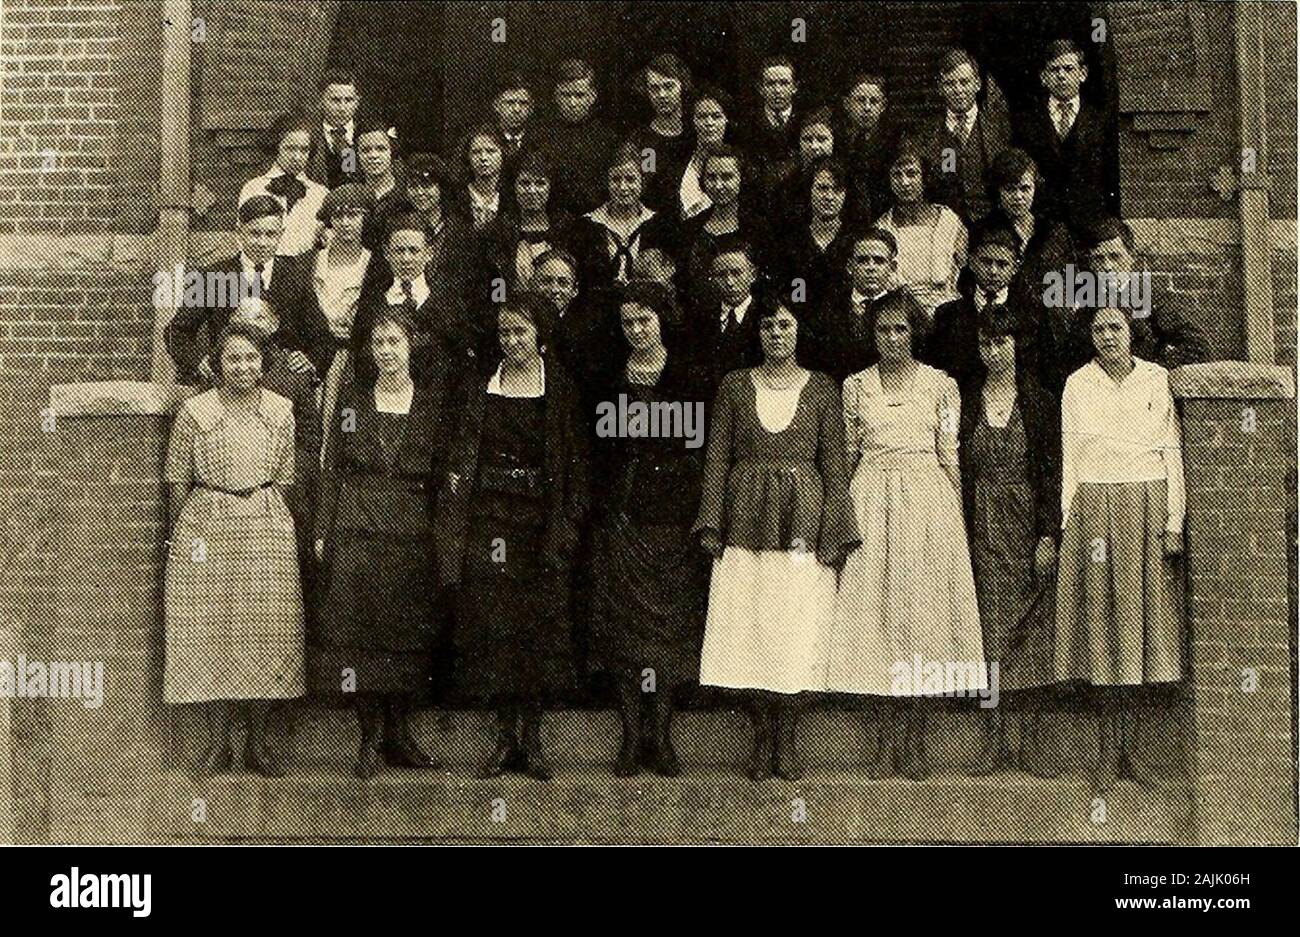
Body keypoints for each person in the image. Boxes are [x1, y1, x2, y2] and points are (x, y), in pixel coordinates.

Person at [693, 297, 859, 781]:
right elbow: (717, 457)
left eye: (784, 325)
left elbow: (833, 465)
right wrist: (710, 522)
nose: (776, 334)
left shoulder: (823, 389)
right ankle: (760, 732)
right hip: (745, 521)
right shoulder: (734, 387)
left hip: (801, 526)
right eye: (767, 326)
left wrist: (836, 529)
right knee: (749, 629)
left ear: (799, 330)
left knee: (796, 630)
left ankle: (787, 735)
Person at [827, 293, 983, 780]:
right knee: (876, 615)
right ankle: (883, 741)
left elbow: (949, 453)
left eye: (900, 330)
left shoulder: (940, 384)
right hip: (872, 497)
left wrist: (953, 516)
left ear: (914, 332)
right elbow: (848, 454)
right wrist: (842, 515)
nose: (891, 339)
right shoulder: (855, 386)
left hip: (926, 501)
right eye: (882, 331)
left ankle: (915, 739)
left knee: (919, 614)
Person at [435, 293, 589, 781]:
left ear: (540, 335)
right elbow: (459, 454)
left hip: (538, 528)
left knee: (535, 630)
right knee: (494, 628)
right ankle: (504, 738)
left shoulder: (561, 390)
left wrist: (565, 527)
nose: (512, 341)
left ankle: (534, 739)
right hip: (489, 525)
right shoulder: (482, 387)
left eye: (521, 331)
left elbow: (577, 469)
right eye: (505, 332)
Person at [314, 308, 452, 779]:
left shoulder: (433, 404)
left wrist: (443, 536)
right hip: (358, 529)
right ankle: (369, 735)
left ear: (411, 346)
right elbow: (333, 467)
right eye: (379, 344)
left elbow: (444, 478)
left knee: (404, 634)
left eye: (394, 342)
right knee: (360, 634)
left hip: (411, 533)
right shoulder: (353, 401)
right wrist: (322, 528)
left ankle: (399, 732)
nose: (387, 352)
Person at [163, 321, 305, 778]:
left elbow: (285, 475)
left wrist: (264, 512)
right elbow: (177, 480)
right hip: (208, 523)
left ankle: (258, 745)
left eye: (251, 358)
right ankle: (218, 744)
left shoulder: (280, 410)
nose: (243, 367)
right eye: (233, 359)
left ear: (263, 363)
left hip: (265, 522)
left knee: (266, 629)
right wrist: (187, 536)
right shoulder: (196, 411)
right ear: (218, 366)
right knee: (211, 632)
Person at [1055, 305, 1185, 793]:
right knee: (1104, 628)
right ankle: (1107, 752)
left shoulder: (1155, 380)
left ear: (1132, 333)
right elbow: (1071, 456)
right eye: (1098, 328)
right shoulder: (1077, 384)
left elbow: (1171, 449)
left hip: (1147, 504)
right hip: (1095, 507)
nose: (1107, 335)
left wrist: (1175, 520)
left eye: (1116, 327)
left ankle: (1134, 750)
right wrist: (1070, 520)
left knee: (1141, 631)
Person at [589, 281, 711, 777]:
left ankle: (660, 733)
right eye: (628, 323)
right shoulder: (607, 378)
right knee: (625, 631)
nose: (636, 331)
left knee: (668, 629)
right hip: (621, 516)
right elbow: (600, 451)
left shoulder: (688, 378)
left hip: (671, 518)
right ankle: (630, 733)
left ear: (662, 320)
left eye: (645, 321)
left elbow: (696, 448)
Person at [959, 304, 1062, 778]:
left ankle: (1032, 740)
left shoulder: (1039, 401)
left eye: (1002, 341)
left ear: (1018, 345)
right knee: (990, 629)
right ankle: (995, 737)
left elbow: (1050, 474)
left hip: (1026, 524)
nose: (993, 350)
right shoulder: (967, 398)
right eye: (985, 342)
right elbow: (959, 468)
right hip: (981, 523)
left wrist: (1046, 534)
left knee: (1033, 627)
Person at [165, 195, 332, 385]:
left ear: (281, 233)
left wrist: (309, 360)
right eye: (254, 233)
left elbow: (322, 337)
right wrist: (199, 362)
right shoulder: (212, 277)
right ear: (239, 232)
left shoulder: (295, 275)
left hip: (282, 386)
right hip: (227, 383)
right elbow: (176, 332)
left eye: (270, 234)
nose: (262, 242)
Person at [1060, 217, 1211, 383]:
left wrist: (1154, 369)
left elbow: (1198, 345)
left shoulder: (1151, 299)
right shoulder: (1086, 305)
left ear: (1131, 258)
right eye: (1099, 259)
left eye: (1115, 257)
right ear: (1092, 264)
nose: (1108, 266)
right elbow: (1071, 361)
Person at [926, 221, 1051, 397]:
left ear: (1015, 268)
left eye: (1002, 264)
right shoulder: (947, 315)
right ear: (971, 261)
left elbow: (1042, 373)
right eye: (986, 262)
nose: (993, 271)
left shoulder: (1031, 314)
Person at [353, 214, 475, 388]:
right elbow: (361, 360)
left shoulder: (449, 301)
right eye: (399, 251)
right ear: (387, 253)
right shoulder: (372, 302)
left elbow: (460, 362)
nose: (406, 259)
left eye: (414, 250)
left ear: (429, 253)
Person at [1013, 39, 1109, 234]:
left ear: (1082, 74)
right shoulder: (1027, 122)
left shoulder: (1100, 121)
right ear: (1044, 77)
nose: (1062, 76)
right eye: (1055, 70)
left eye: (1069, 69)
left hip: (1089, 226)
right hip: (1042, 226)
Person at [310, 183, 379, 453]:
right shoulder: (313, 261)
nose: (346, 223)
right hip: (315, 357)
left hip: (350, 359)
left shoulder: (373, 265)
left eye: (354, 215)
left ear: (365, 219)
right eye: (339, 216)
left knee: (343, 428)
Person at [811, 227, 922, 384]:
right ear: (850, 267)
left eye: (879, 261)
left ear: (892, 267)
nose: (871, 268)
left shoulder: (907, 308)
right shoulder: (828, 310)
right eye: (863, 260)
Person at [875, 136, 969, 320]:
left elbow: (967, 273)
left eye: (911, 174)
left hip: (948, 318)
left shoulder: (949, 222)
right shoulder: (882, 228)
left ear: (924, 177)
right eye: (897, 175)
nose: (905, 182)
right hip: (900, 321)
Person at [569, 142, 676, 292]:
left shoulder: (660, 225)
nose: (623, 187)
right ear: (607, 182)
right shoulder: (585, 226)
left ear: (642, 182)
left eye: (630, 179)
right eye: (616, 180)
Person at [984, 147, 1077, 316]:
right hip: (1005, 318)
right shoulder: (985, 231)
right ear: (998, 190)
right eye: (1010, 189)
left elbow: (1071, 279)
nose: (1018, 196)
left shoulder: (1054, 231)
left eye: (1025, 189)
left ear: (1035, 187)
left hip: (1050, 318)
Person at [924, 47, 1010, 226]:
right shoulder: (929, 133)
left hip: (994, 224)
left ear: (977, 83)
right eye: (950, 83)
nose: (958, 90)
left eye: (964, 82)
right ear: (940, 88)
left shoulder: (1000, 128)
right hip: (946, 227)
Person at [676, 146, 768, 301]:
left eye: (727, 177)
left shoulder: (758, 228)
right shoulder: (690, 228)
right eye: (711, 177)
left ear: (741, 178)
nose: (718, 185)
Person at [479, 149, 574, 295]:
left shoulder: (568, 230)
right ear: (514, 187)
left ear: (551, 187)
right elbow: (495, 289)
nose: (532, 190)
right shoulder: (496, 232)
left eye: (540, 183)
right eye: (524, 183)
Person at [771, 156, 856, 316]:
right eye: (822, 188)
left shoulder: (855, 240)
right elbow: (795, 294)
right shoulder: (793, 242)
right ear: (810, 191)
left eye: (837, 190)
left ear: (845, 194)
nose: (829, 197)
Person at [239, 112, 328, 256]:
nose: (297, 157)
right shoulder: (254, 188)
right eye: (290, 148)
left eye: (304, 150)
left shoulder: (320, 193)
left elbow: (325, 244)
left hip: (305, 273)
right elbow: (243, 239)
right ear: (276, 147)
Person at [537, 58, 619, 215]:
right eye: (566, 95)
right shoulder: (541, 138)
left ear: (592, 96)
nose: (573, 103)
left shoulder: (608, 139)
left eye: (579, 95)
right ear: (556, 96)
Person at [687, 241, 765, 394]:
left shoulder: (766, 316)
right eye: (721, 275)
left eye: (736, 273)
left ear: (753, 274)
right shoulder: (701, 319)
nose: (729, 282)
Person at [629, 53, 694, 215]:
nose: (662, 95)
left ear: (682, 85)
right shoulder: (645, 141)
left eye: (668, 86)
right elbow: (647, 186)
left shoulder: (695, 132)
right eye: (654, 88)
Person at [839, 72, 899, 225]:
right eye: (860, 100)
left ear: (883, 106)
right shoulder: (838, 144)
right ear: (847, 104)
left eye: (874, 101)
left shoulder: (895, 144)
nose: (867, 108)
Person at [768, 106, 838, 228]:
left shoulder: (848, 180)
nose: (814, 146)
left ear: (833, 141)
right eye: (807, 139)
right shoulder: (787, 185)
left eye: (822, 139)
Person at [744, 55, 801, 206]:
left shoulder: (803, 122)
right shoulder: (748, 124)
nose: (777, 90)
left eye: (784, 83)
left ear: (794, 87)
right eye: (771, 84)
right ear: (761, 88)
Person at [677, 85, 734, 221]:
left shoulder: (736, 161)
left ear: (726, 119)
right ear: (694, 120)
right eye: (702, 117)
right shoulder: (679, 160)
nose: (709, 123)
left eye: (716, 116)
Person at [355, 115, 408, 251]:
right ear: (356, 155)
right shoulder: (352, 194)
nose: (373, 156)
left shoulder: (407, 193)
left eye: (381, 149)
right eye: (365, 150)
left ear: (392, 151)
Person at [306, 67, 362, 188]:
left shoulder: (367, 133)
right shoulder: (307, 135)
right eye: (335, 100)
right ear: (321, 100)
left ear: (357, 102)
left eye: (348, 100)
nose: (342, 108)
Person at [454, 125, 505, 231]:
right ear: (467, 156)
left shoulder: (510, 197)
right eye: (476, 152)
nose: (483, 158)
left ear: (502, 154)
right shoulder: (456, 197)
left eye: (491, 151)